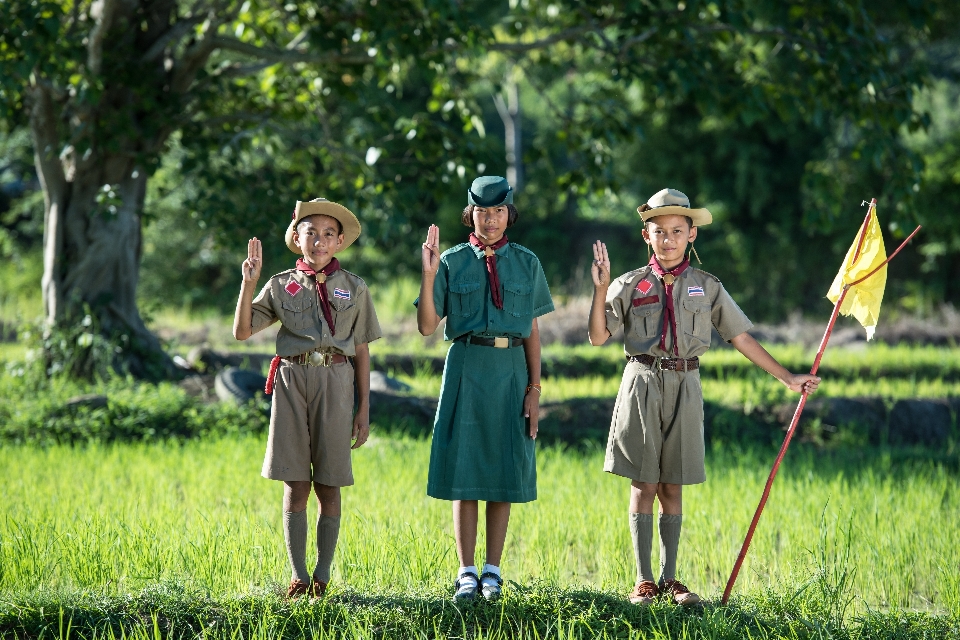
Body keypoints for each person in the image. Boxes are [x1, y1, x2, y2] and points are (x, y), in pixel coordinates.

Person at [587, 188, 820, 606]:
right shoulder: (629, 283)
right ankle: (643, 582)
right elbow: (598, 335)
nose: (669, 239)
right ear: (646, 235)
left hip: (686, 385)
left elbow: (740, 337)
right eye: (660, 231)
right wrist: (600, 290)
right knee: (645, 482)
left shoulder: (707, 287)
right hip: (641, 382)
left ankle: (670, 579)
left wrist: (787, 377)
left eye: (678, 230)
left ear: (692, 234)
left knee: (673, 484)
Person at [233, 198, 382, 599]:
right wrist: (249, 283)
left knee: (329, 485)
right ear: (297, 238)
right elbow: (243, 332)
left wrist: (363, 407)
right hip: (292, 381)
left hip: (336, 381)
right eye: (310, 232)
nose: (319, 240)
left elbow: (363, 350)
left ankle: (322, 575)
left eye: (328, 234)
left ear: (338, 242)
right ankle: (298, 576)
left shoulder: (354, 287)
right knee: (296, 483)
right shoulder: (280, 284)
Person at [417, 176, 554, 602]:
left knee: (502, 468)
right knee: (465, 469)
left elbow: (531, 330)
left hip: (512, 368)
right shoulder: (452, 261)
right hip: (466, 365)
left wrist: (534, 387)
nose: (490, 220)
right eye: (481, 212)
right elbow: (425, 326)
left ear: (508, 214)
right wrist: (427, 273)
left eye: (497, 212)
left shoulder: (527, 263)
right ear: (470, 215)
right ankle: (466, 572)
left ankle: (493, 571)